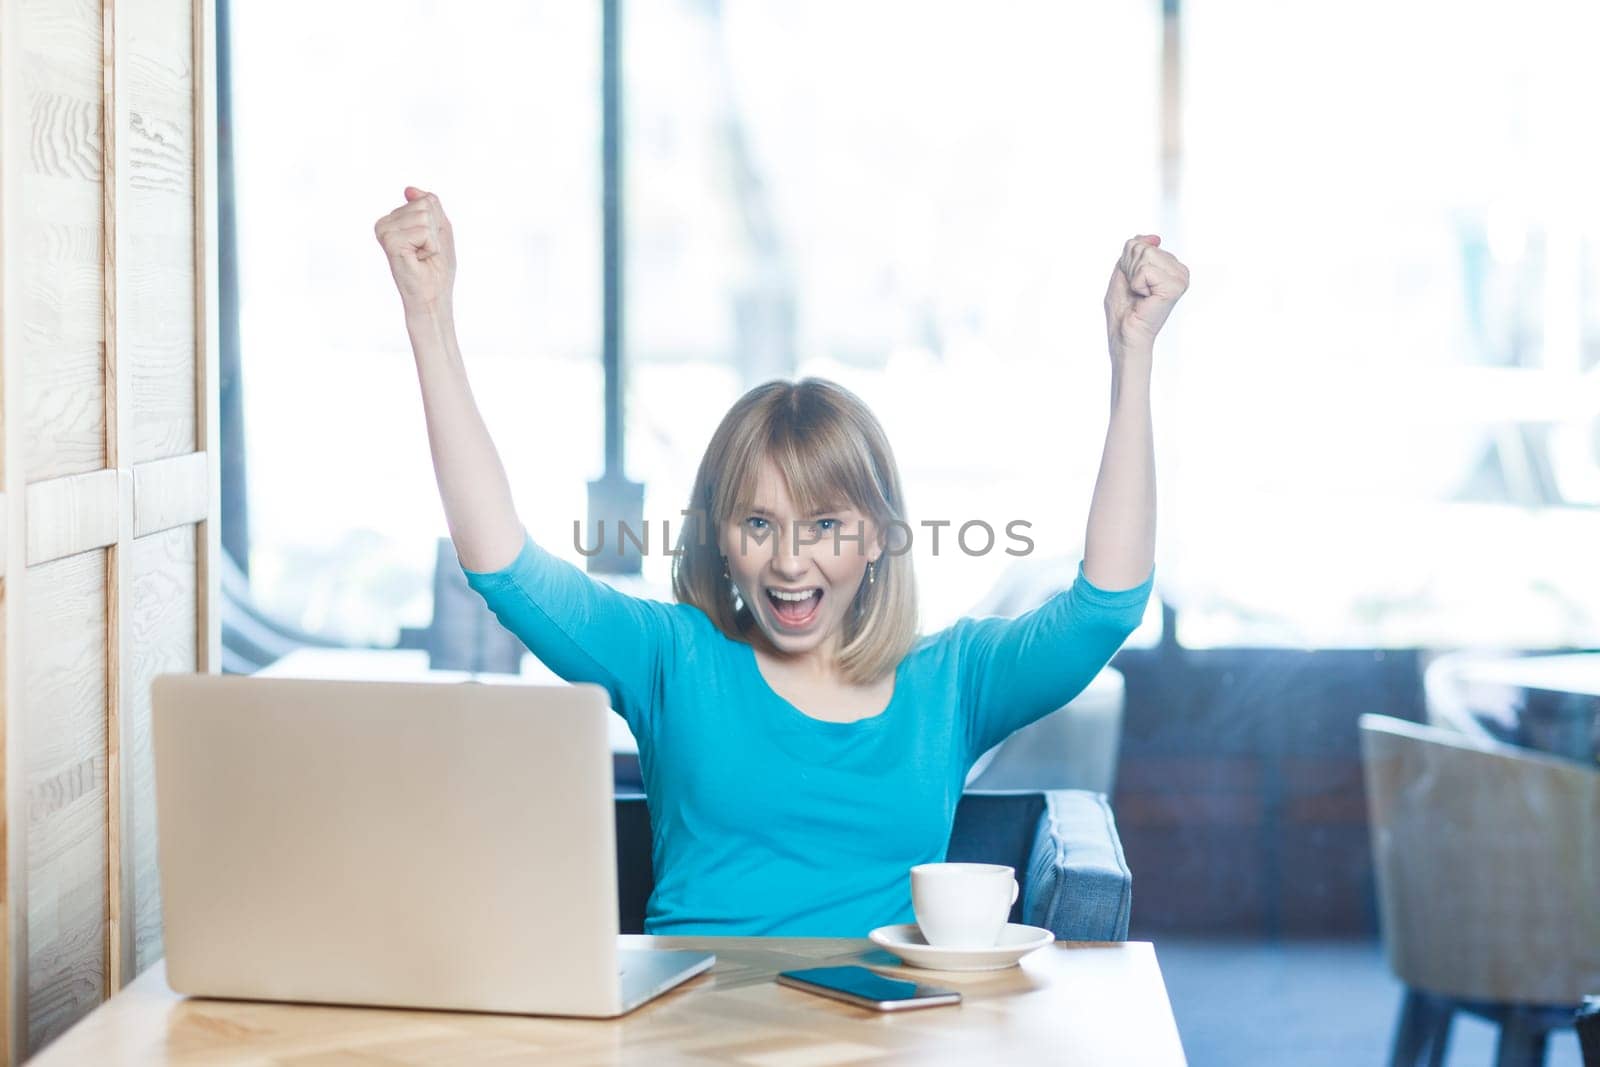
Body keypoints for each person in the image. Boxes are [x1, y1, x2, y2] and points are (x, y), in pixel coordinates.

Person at [374, 185, 1189, 936]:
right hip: (692, 1035)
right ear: (721, 538)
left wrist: (1133, 358)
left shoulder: (952, 680)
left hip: (875, 1036)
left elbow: (1108, 604)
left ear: (877, 537)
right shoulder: (672, 657)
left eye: (827, 523)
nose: (790, 560)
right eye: (758, 522)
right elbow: (502, 566)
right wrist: (429, 319)